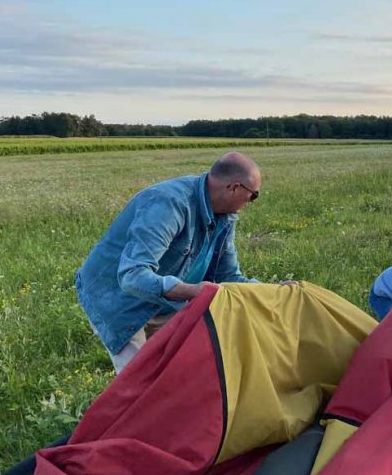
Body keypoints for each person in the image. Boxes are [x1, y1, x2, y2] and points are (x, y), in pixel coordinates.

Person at [76, 152, 261, 373]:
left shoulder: (225, 216)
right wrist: (193, 290)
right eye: (254, 195)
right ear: (234, 188)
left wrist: (273, 291)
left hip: (165, 301)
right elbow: (132, 275)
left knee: (176, 373)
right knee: (138, 383)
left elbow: (228, 276)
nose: (251, 202)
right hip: (119, 300)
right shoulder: (169, 205)